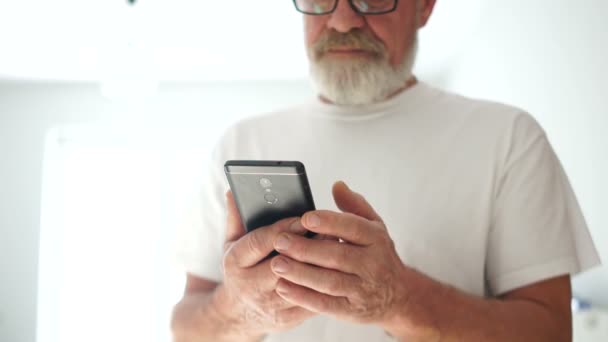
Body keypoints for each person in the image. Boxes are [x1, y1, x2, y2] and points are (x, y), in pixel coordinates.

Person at [171, 0, 601, 341]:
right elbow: (186, 330)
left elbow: (550, 332)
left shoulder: (508, 136)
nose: (341, 21)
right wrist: (241, 309)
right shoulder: (240, 143)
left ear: (426, 6)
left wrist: (398, 301)